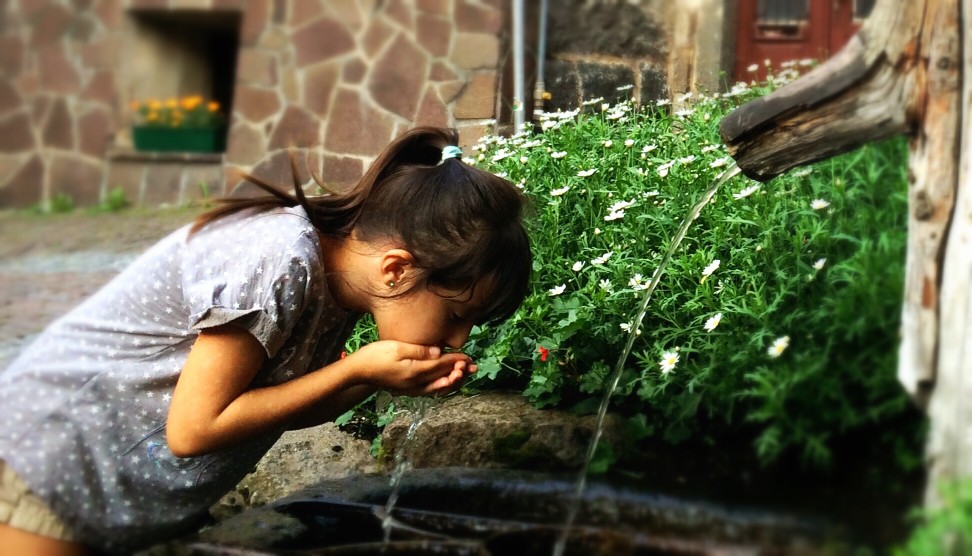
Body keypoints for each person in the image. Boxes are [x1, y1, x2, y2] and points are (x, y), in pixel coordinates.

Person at [0, 126, 532, 555]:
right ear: (397, 269)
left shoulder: (342, 285)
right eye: (458, 314)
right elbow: (195, 428)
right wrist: (353, 371)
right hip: (52, 460)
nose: (459, 337)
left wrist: (369, 377)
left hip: (112, 490)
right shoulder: (279, 258)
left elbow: (274, 407)